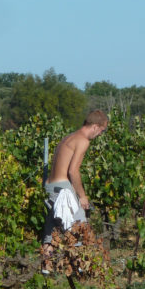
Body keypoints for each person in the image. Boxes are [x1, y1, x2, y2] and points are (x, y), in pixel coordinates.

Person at [41, 110, 108, 273]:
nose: (100, 134)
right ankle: (79, 266)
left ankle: (46, 266)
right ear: (95, 126)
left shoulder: (68, 138)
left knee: (53, 225)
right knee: (79, 224)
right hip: (62, 187)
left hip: (50, 186)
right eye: (102, 130)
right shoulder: (83, 141)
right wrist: (82, 196)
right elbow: (73, 171)